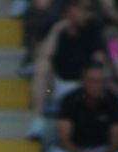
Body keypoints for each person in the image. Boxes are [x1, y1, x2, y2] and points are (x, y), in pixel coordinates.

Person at [28, 0, 107, 134]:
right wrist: (56, 31)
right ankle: (37, 120)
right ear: (72, 9)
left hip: (82, 83)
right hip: (56, 82)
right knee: (42, 66)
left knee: (99, 73)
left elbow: (99, 57)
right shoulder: (52, 25)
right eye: (85, 10)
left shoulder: (92, 27)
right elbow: (43, 55)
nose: (88, 14)